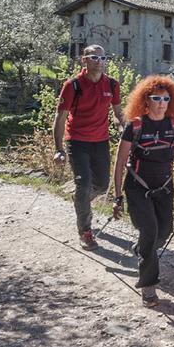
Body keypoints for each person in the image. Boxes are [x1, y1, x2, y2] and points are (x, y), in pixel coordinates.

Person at [110, 75, 174, 307]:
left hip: (165, 187)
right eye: (156, 98)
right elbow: (119, 163)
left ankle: (142, 249)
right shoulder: (135, 126)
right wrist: (117, 196)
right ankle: (148, 285)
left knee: (164, 230)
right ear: (145, 100)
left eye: (166, 98)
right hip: (138, 187)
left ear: (172, 101)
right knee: (149, 230)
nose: (161, 103)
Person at [53, 45, 124, 249]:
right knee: (84, 185)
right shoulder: (73, 85)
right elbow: (60, 118)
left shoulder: (111, 85)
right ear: (84, 60)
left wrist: (122, 128)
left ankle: (80, 199)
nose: (100, 61)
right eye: (94, 57)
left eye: (104, 57)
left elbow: (118, 114)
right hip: (76, 140)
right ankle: (85, 231)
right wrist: (59, 149)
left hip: (100, 141)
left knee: (102, 185)